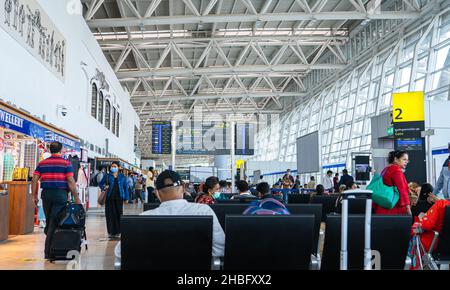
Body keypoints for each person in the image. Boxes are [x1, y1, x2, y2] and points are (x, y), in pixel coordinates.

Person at [114, 170, 225, 260]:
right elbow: (221, 248)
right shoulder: (204, 211)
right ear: (183, 188)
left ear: (157, 193)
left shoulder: (143, 218)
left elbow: (120, 253)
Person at [32, 141, 81, 260]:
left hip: (46, 194)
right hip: (60, 194)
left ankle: (51, 249)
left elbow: (34, 179)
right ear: (61, 150)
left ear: (50, 150)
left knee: (49, 221)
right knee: (54, 222)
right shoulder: (66, 163)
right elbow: (70, 181)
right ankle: (49, 252)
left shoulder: (42, 163)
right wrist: (76, 198)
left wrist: (34, 196)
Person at [409, 199, 450, 269]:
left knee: (415, 234)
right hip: (447, 248)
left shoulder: (441, 204)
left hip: (435, 245)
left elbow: (426, 225)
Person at [373, 150, 411, 215]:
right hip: (393, 208)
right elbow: (402, 190)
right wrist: (408, 209)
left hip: (382, 205)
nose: (406, 162)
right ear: (396, 159)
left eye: (407, 160)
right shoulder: (396, 171)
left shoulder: (386, 169)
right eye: (404, 159)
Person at [99, 162, 129, 240]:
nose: (113, 167)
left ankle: (118, 231)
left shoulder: (122, 176)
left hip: (119, 198)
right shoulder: (107, 176)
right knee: (109, 215)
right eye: (112, 166)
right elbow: (100, 183)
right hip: (109, 198)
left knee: (119, 214)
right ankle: (111, 232)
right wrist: (104, 187)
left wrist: (126, 198)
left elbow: (125, 188)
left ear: (118, 167)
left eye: (115, 166)